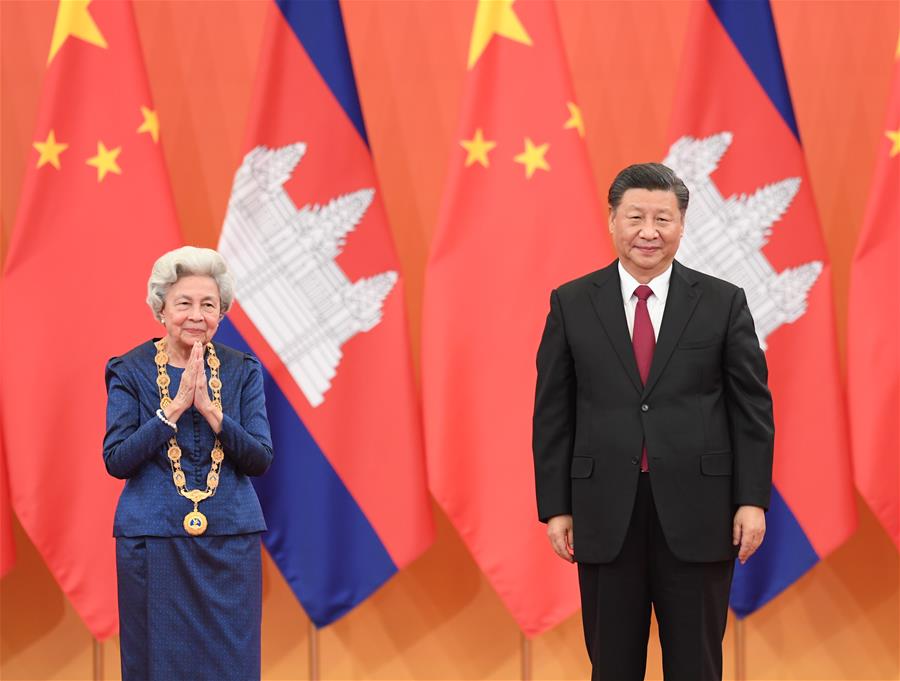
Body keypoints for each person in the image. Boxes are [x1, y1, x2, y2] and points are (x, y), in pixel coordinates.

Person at [533, 163, 774, 680]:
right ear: (612, 221)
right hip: (604, 512)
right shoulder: (572, 303)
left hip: (700, 511)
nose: (649, 231)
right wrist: (556, 507)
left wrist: (751, 501)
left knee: (696, 664)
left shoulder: (722, 302)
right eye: (636, 217)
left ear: (682, 225)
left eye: (663, 219)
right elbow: (553, 413)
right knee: (613, 664)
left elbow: (751, 411)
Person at [104, 246, 273, 681]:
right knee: (156, 667)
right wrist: (172, 411)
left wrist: (214, 414)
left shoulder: (243, 370)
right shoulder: (130, 369)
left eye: (209, 305)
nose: (197, 315)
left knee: (231, 666)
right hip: (152, 541)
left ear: (222, 313)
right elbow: (117, 460)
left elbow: (259, 459)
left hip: (229, 543)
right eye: (184, 303)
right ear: (161, 308)